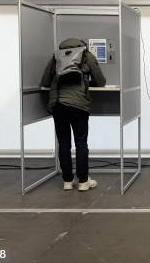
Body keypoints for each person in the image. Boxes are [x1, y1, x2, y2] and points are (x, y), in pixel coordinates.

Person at [40, 38, 106, 192]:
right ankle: (83, 181)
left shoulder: (57, 56)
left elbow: (44, 81)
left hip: (58, 105)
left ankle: (67, 181)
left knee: (63, 143)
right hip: (78, 105)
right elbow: (101, 81)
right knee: (81, 142)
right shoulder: (86, 55)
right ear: (83, 45)